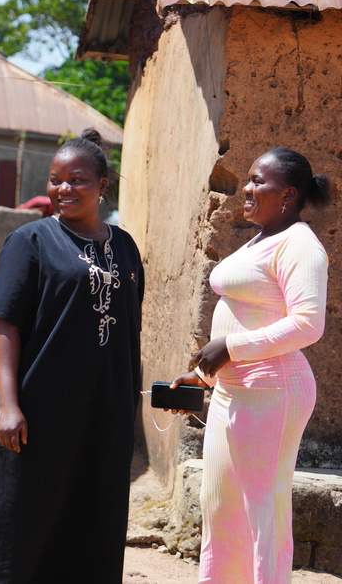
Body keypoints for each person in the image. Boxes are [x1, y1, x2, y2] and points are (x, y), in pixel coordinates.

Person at [0, 128, 144, 583]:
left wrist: (129, 408)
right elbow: (7, 324)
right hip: (39, 412)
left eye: (78, 179)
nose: (64, 189)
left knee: (94, 521)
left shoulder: (125, 247)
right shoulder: (31, 241)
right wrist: (9, 405)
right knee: (21, 520)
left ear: (103, 185)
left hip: (104, 415)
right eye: (56, 179)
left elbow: (129, 331)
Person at [168, 148, 330, 583]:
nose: (247, 187)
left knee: (263, 514)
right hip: (232, 391)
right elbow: (246, 315)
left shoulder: (301, 245)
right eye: (249, 179)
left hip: (273, 393)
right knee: (219, 506)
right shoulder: (262, 238)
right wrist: (204, 374)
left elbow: (307, 324)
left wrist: (231, 349)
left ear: (289, 194)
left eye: (260, 181)